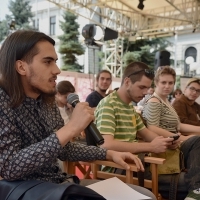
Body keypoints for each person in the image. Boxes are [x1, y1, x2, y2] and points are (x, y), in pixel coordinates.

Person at [0, 30, 156, 199]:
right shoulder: (3, 99)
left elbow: (64, 150)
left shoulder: (46, 100)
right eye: (48, 62)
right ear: (21, 67)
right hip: (30, 192)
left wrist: (108, 154)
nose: (57, 70)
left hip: (61, 184)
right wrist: (72, 128)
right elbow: (9, 166)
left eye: (55, 62)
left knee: (145, 195)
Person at [95, 61, 174, 162]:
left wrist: (166, 142)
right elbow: (106, 144)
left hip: (135, 164)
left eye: (147, 88)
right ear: (127, 82)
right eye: (142, 87)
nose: (146, 92)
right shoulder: (108, 104)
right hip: (121, 168)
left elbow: (145, 133)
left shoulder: (129, 106)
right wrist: (150, 146)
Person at [142, 66, 200, 200]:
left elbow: (179, 125)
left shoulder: (166, 101)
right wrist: (182, 138)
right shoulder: (154, 101)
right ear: (156, 83)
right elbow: (152, 128)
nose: (167, 86)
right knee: (196, 141)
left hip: (173, 142)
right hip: (167, 146)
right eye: (163, 82)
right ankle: (195, 190)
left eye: (170, 83)